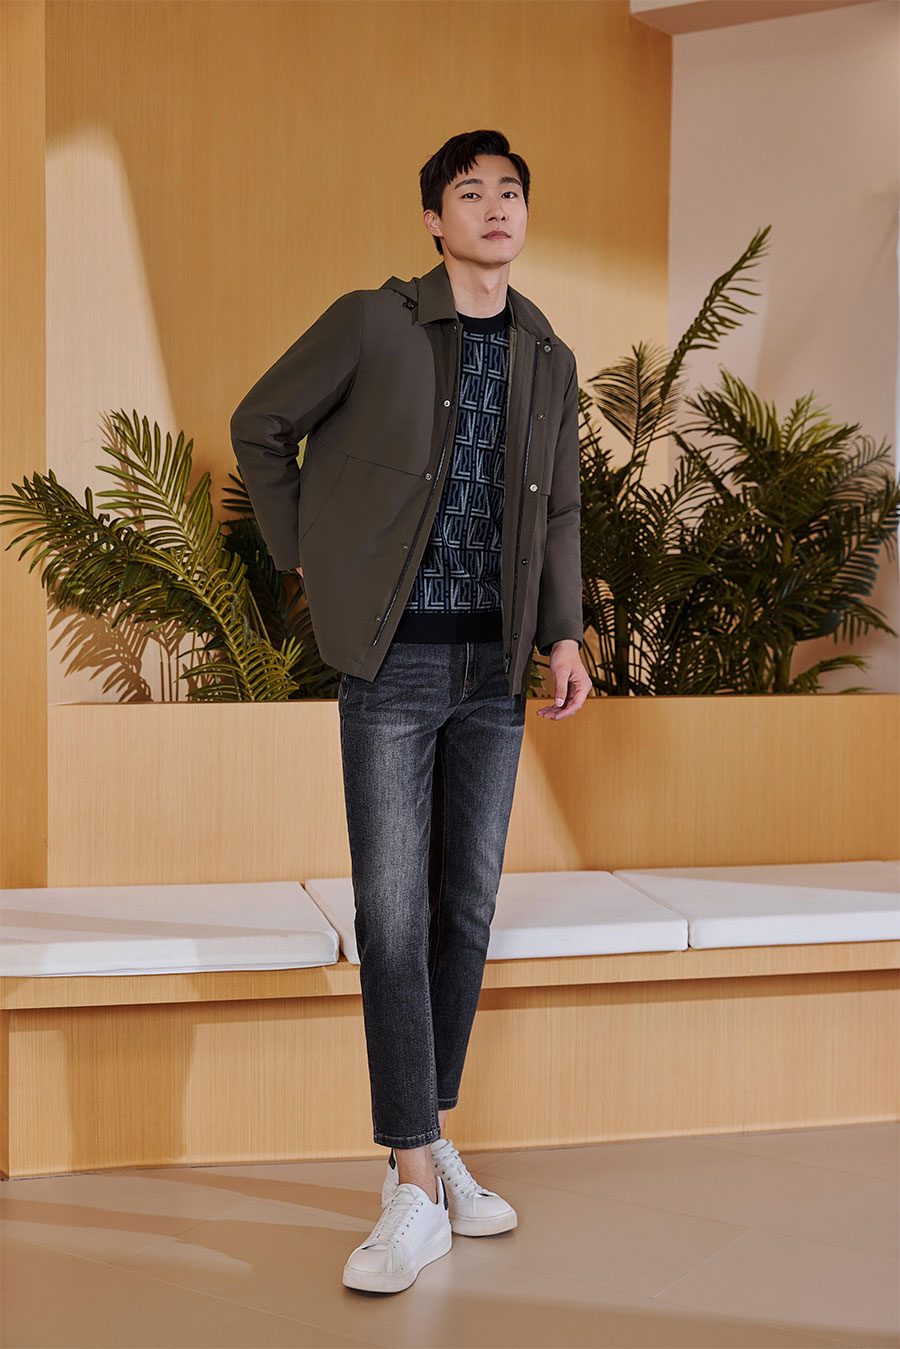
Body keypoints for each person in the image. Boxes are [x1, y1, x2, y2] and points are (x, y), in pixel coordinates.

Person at [230, 128, 590, 1294]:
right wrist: (309, 556)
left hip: (495, 672)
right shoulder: (372, 323)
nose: (495, 207)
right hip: (391, 667)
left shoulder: (546, 352)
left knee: (464, 911)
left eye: (510, 191)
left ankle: (427, 1145)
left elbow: (560, 509)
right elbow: (260, 425)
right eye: (469, 192)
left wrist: (564, 631)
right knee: (392, 916)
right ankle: (413, 1181)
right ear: (434, 219)